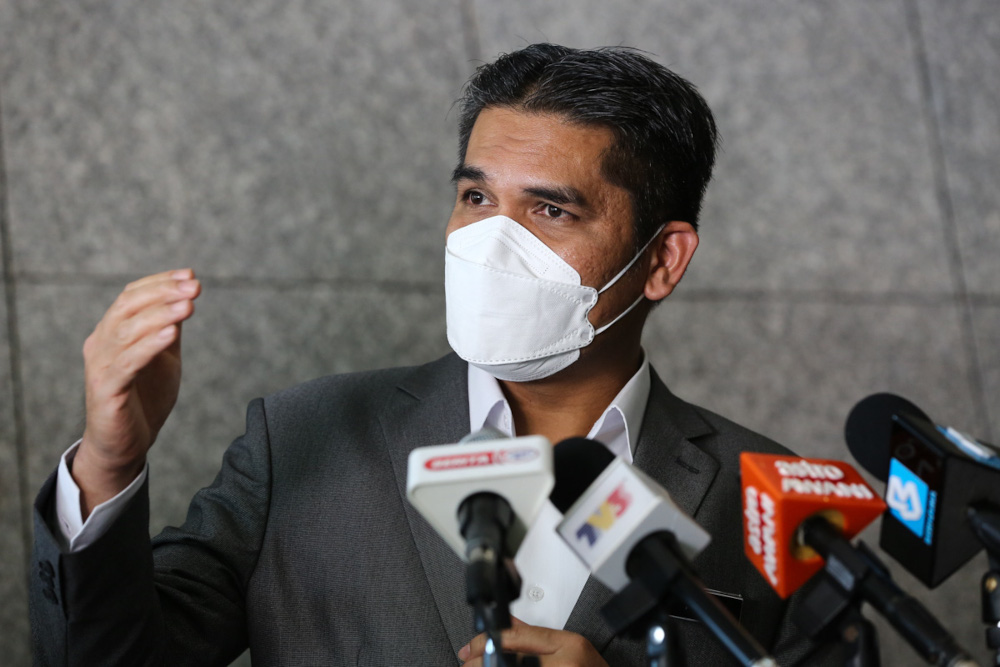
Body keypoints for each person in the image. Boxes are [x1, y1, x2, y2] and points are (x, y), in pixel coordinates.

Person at [30, 44, 821, 666]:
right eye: (476, 198)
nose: (490, 243)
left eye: (549, 208)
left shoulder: (774, 499)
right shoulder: (302, 436)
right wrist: (107, 463)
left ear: (662, 261)